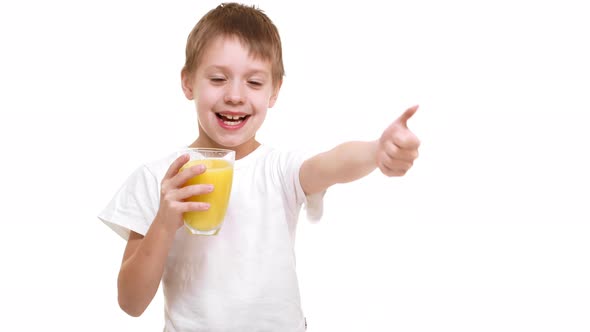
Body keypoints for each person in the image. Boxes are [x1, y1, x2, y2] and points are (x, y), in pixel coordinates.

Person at [98, 2, 420, 331]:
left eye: (254, 82)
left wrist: (375, 151)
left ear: (274, 91)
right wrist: (164, 224)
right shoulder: (158, 179)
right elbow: (131, 303)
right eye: (218, 78)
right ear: (188, 83)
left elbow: (331, 164)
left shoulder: (279, 169)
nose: (235, 95)